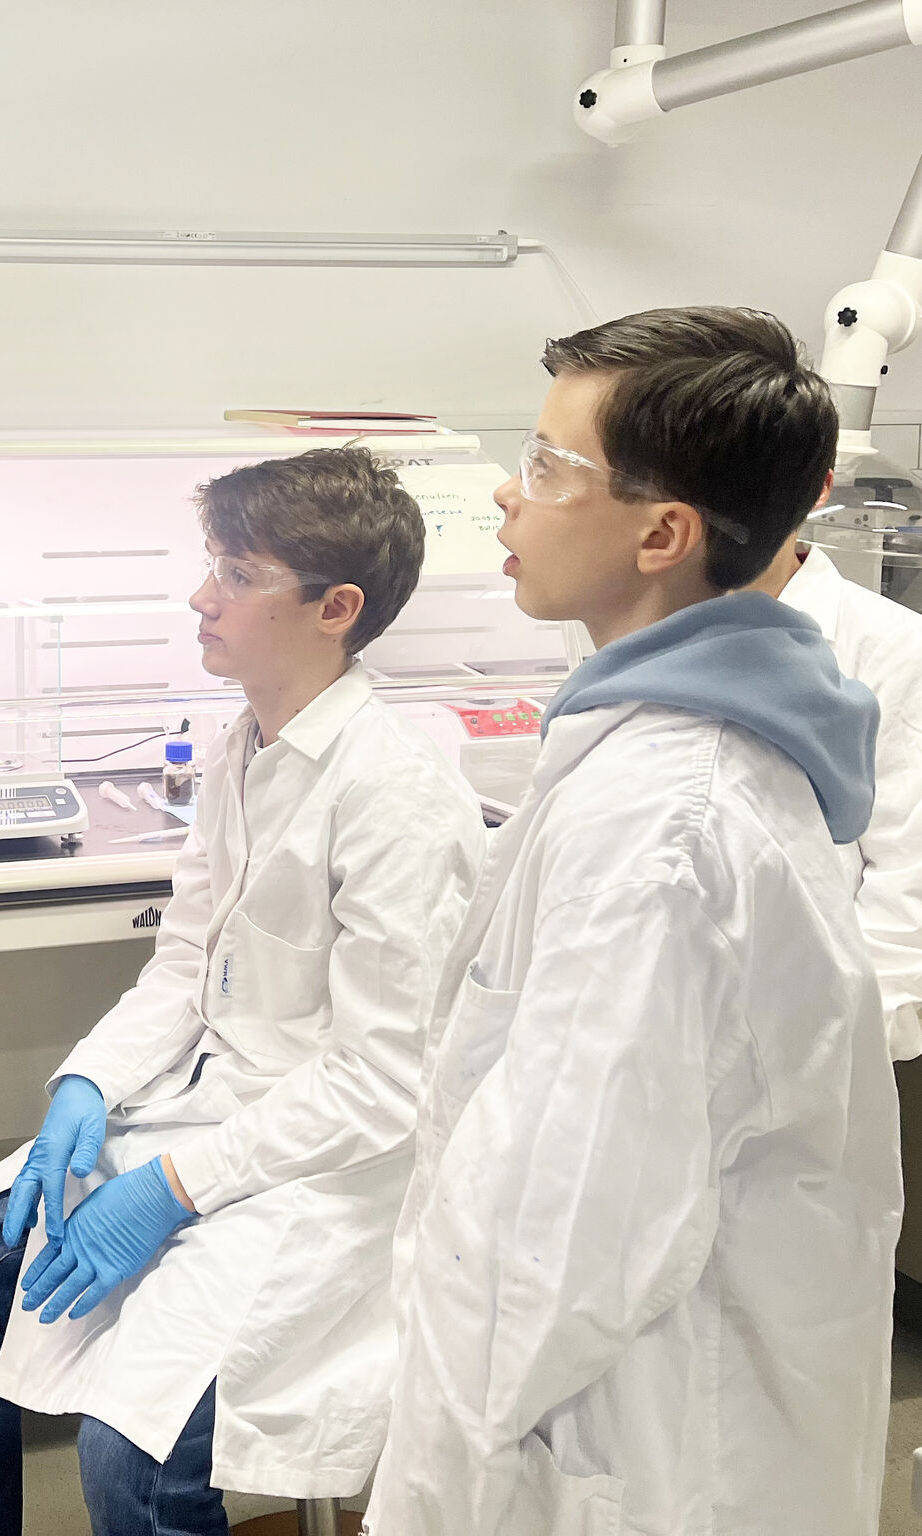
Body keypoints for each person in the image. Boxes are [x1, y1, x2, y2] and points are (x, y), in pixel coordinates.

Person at [0, 447, 488, 1535]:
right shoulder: (244, 744)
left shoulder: (395, 793)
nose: (201, 598)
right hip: (202, 1116)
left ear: (335, 609)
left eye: (238, 575)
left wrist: (174, 1186)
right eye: (213, 564)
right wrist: (88, 1082)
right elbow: (186, 962)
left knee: (131, 1453)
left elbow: (384, 1081)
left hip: (329, 1175)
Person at [366, 309, 900, 1535]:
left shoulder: (664, 831)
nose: (508, 492)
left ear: (663, 535)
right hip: (611, 1408)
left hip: (628, 1445)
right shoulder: (648, 758)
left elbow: (570, 1241)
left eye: (549, 466)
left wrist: (443, 1476)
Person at [749, 517, 922, 1059]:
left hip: (827, 1046)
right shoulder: (659, 631)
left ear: (818, 488)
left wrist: (835, 1050)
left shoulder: (895, 647)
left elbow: (907, 892)